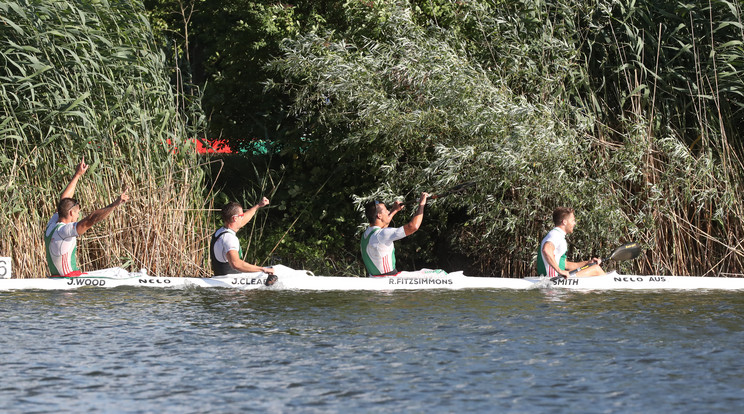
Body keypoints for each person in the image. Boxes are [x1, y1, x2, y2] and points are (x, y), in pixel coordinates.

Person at [45, 158, 129, 277]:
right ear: (70, 213)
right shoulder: (64, 231)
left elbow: (64, 200)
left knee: (117, 271)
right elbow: (91, 219)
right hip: (70, 279)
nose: (78, 216)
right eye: (77, 213)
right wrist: (114, 204)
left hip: (56, 278)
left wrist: (78, 175)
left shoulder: (52, 224)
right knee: (119, 273)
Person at [361, 192, 429, 277]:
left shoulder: (366, 234)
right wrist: (422, 204)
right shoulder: (382, 234)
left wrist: (395, 210)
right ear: (379, 216)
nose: (388, 212)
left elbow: (383, 224)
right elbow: (413, 227)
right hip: (389, 278)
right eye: (386, 211)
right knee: (439, 273)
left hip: (373, 277)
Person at [210, 200, 276, 284]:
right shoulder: (230, 238)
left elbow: (244, 219)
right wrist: (263, 269)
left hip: (221, 278)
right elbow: (236, 264)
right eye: (241, 215)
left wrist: (258, 206)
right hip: (230, 283)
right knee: (270, 271)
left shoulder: (220, 232)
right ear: (235, 218)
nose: (243, 217)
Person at [537, 207, 604, 278]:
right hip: (553, 279)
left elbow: (566, 265)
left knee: (594, 268)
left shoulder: (556, 235)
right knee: (597, 269)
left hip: (555, 278)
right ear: (564, 222)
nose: (574, 223)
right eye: (573, 221)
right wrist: (559, 271)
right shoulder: (555, 235)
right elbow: (546, 250)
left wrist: (588, 263)